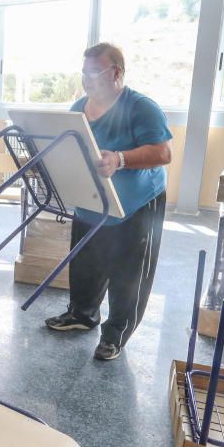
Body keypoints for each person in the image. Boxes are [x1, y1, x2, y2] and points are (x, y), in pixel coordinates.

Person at [45, 42, 172, 361]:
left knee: (129, 272)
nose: (86, 79)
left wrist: (120, 159)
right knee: (86, 260)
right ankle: (82, 314)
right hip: (92, 198)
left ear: (115, 73)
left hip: (137, 203)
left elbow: (163, 153)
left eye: (93, 72)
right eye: (83, 72)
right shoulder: (79, 108)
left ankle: (116, 333)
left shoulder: (141, 107)